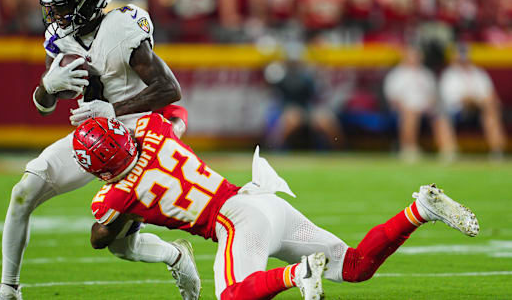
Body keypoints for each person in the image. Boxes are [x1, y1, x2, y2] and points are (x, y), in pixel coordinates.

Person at [73, 114, 479, 300]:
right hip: (263, 201)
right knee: (354, 266)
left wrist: (129, 208)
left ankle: (298, 274)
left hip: (235, 221)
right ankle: (421, 210)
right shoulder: (152, 129)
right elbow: (175, 117)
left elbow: (99, 238)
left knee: (233, 297)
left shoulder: (116, 195)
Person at [0, 0, 199, 300]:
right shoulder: (58, 39)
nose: (55, 16)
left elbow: (170, 89)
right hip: (93, 135)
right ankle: (8, 290)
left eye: (64, 6)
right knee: (24, 192)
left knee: (113, 244)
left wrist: (114, 108)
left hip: (136, 140)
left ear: (86, 2)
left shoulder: (123, 28)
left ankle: (176, 256)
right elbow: (43, 107)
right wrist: (46, 85)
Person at [383, 46, 457, 161]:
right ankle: (409, 149)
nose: (415, 59)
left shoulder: (426, 73)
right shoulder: (396, 74)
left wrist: (429, 105)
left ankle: (448, 150)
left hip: (425, 107)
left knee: (440, 116)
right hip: (405, 108)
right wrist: (408, 107)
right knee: (410, 114)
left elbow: (433, 95)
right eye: (412, 56)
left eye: (417, 56)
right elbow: (393, 99)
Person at [440, 44, 507, 159]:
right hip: (458, 111)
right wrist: (475, 100)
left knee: (491, 114)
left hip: (479, 109)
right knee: (441, 116)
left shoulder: (479, 73)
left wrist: (484, 102)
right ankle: (449, 151)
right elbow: (453, 99)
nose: (463, 61)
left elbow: (490, 95)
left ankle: (497, 150)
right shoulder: (449, 74)